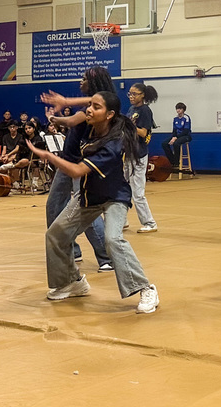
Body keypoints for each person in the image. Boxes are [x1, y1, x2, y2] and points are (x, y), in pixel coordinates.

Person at [31, 91, 159, 314]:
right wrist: (63, 106)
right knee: (56, 234)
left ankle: (146, 288)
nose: (89, 109)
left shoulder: (114, 143)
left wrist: (49, 156)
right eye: (89, 105)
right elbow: (73, 118)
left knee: (113, 239)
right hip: (88, 196)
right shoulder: (88, 125)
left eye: (96, 107)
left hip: (114, 198)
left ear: (109, 114)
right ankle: (72, 282)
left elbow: (78, 170)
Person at [40, 67, 115, 270]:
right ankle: (70, 249)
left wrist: (57, 118)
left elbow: (73, 121)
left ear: (95, 83)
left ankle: (106, 258)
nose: (80, 82)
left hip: (81, 165)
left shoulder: (99, 108)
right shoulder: (89, 105)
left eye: (84, 79)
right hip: (66, 161)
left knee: (85, 211)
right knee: (54, 206)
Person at [126, 83, 159, 233]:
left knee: (137, 192)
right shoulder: (131, 109)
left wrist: (128, 126)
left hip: (139, 155)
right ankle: (122, 220)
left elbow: (143, 133)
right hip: (128, 153)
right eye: (130, 94)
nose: (132, 97)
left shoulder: (145, 111)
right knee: (123, 188)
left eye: (135, 94)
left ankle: (150, 223)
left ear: (142, 95)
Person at [161, 102, 192, 168]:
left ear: (183, 110)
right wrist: (173, 137)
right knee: (164, 144)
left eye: (180, 109)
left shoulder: (186, 118)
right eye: (177, 109)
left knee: (176, 143)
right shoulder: (175, 119)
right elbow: (174, 130)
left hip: (186, 136)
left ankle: (177, 162)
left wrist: (176, 138)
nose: (178, 110)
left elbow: (186, 131)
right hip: (176, 136)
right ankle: (172, 161)